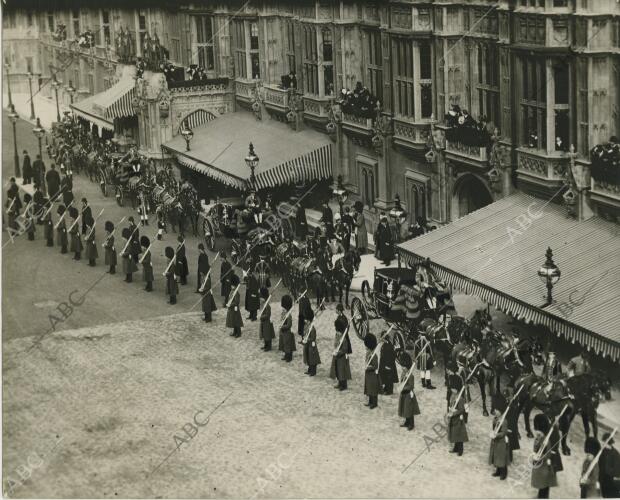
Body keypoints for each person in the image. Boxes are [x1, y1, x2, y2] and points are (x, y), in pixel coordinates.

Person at [531, 413, 557, 498]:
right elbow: (535, 449)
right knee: (540, 482)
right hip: (539, 464)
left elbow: (548, 454)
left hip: (545, 466)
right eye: (536, 430)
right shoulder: (538, 438)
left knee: (544, 483)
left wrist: (540, 457)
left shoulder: (547, 441)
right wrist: (536, 443)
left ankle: (543, 497)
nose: (537, 432)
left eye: (539, 431)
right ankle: (540, 496)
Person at [488, 397, 511, 480]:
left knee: (501, 458)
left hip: (501, 442)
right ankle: (498, 471)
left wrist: (496, 435)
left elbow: (504, 432)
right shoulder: (496, 419)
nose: (495, 411)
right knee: (496, 457)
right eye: (495, 410)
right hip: (496, 441)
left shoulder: (504, 421)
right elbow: (494, 427)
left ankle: (503, 473)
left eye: (497, 410)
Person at [330, 315, 352, 390]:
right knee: (338, 371)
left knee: (342, 372)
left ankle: (344, 385)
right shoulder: (338, 336)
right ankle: (339, 383)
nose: (337, 332)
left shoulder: (344, 339)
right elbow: (336, 344)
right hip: (337, 356)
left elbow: (345, 349)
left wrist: (339, 352)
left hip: (342, 357)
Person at [398, 355, 420, 430]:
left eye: (404, 367)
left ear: (407, 367)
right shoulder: (403, 374)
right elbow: (401, 381)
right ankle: (407, 422)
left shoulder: (411, 376)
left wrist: (403, 388)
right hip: (403, 394)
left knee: (409, 410)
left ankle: (411, 424)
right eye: (402, 366)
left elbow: (411, 386)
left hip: (408, 394)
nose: (402, 368)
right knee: (405, 409)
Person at [447, 384, 468, 457]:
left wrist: (454, 413)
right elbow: (450, 404)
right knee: (454, 433)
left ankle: (460, 450)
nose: (452, 390)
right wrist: (450, 410)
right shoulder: (453, 396)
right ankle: (456, 448)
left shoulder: (461, 399)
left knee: (459, 435)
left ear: (457, 389)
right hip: (453, 417)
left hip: (458, 418)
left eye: (453, 389)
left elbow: (461, 410)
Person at [599, 431, 620, 498]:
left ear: (609, 443)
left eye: (604, 442)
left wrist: (607, 469)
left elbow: (617, 472)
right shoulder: (602, 451)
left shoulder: (615, 454)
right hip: (601, 479)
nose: (602, 444)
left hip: (610, 481)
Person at [301, 308, 321, 376]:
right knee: (308, 358)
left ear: (309, 320)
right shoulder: (306, 326)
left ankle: (313, 371)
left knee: (312, 359)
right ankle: (310, 370)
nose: (305, 320)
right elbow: (304, 333)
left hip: (311, 346)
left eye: (306, 320)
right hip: (307, 345)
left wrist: (307, 339)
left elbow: (313, 338)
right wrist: (304, 337)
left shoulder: (312, 329)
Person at [364, 334, 380, 409]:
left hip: (373, 374)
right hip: (368, 374)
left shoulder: (374, 355)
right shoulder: (368, 354)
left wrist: (369, 367)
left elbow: (375, 366)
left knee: (373, 389)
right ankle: (370, 402)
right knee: (369, 388)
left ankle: (374, 403)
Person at [279, 294, 296, 362]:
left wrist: (282, 326)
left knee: (288, 345)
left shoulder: (289, 315)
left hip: (287, 332)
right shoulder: (284, 313)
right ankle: (286, 355)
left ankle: (289, 357)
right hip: (284, 332)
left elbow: (289, 325)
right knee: (284, 344)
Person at [226, 273, 243, 337]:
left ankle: (238, 333)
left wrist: (230, 304)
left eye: (232, 285)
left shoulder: (236, 293)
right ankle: (235, 332)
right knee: (233, 321)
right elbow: (230, 298)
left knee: (237, 321)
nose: (231, 286)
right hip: (231, 309)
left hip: (235, 309)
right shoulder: (232, 291)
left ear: (235, 286)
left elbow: (237, 302)